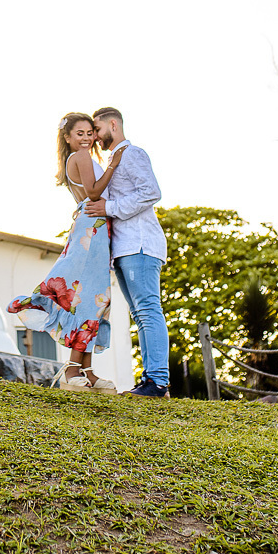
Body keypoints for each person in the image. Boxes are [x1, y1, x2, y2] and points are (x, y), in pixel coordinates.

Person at [6, 112, 126, 392]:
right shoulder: (82, 157)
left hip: (94, 227)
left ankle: (85, 370)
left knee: (95, 297)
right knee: (87, 295)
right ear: (68, 137)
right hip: (92, 230)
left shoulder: (79, 159)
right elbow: (94, 194)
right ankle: (73, 370)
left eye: (89, 133)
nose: (86, 138)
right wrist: (113, 166)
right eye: (80, 134)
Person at [83, 107, 170, 398]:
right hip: (123, 248)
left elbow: (150, 192)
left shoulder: (132, 154)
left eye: (96, 129)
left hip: (140, 244)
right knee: (140, 313)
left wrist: (109, 208)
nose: (94, 136)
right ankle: (151, 380)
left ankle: (158, 382)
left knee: (147, 309)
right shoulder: (111, 160)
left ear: (113, 124)